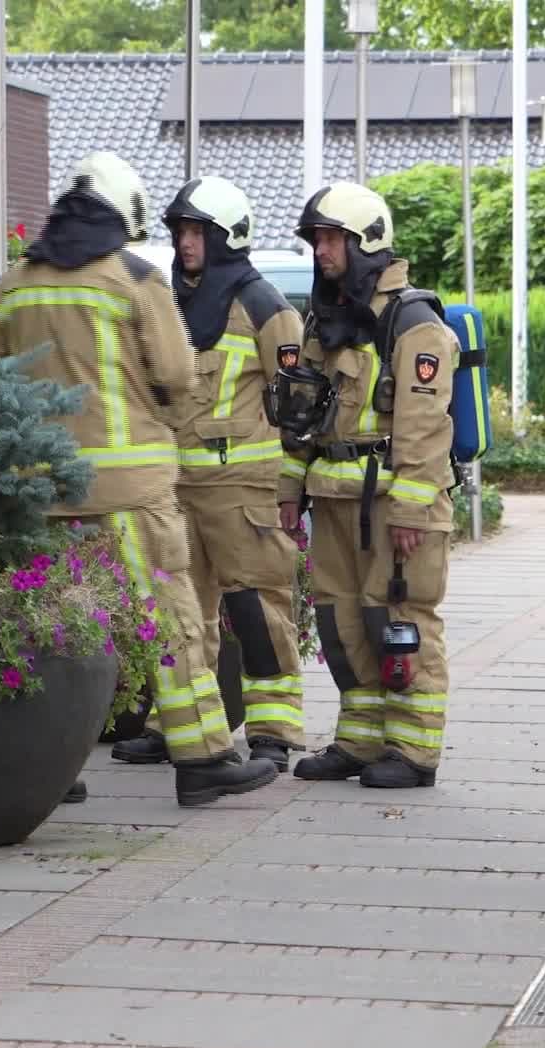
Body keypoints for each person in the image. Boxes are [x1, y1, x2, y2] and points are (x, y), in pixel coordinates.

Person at [0, 152, 279, 808]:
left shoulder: (14, 284)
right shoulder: (136, 279)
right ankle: (203, 760)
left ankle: (49, 768)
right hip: (131, 491)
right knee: (171, 620)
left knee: (50, 628)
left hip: (39, 492)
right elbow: (176, 375)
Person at [109, 177, 310, 770]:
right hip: (176, 489)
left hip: (242, 490)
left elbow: (297, 410)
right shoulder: (166, 303)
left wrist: (289, 487)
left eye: (198, 231)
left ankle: (274, 729)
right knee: (179, 613)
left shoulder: (266, 308)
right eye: (180, 231)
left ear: (228, 236)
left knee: (257, 608)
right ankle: (178, 727)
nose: (185, 242)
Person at [280, 182, 458, 789]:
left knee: (400, 620)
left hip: (394, 505)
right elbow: (302, 415)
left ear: (367, 243)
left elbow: (425, 424)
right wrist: (290, 488)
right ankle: (359, 739)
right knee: (341, 621)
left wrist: (412, 508)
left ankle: (413, 750)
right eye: (316, 240)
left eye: (332, 239)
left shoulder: (414, 323)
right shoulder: (324, 319)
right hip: (334, 499)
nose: (321, 251)